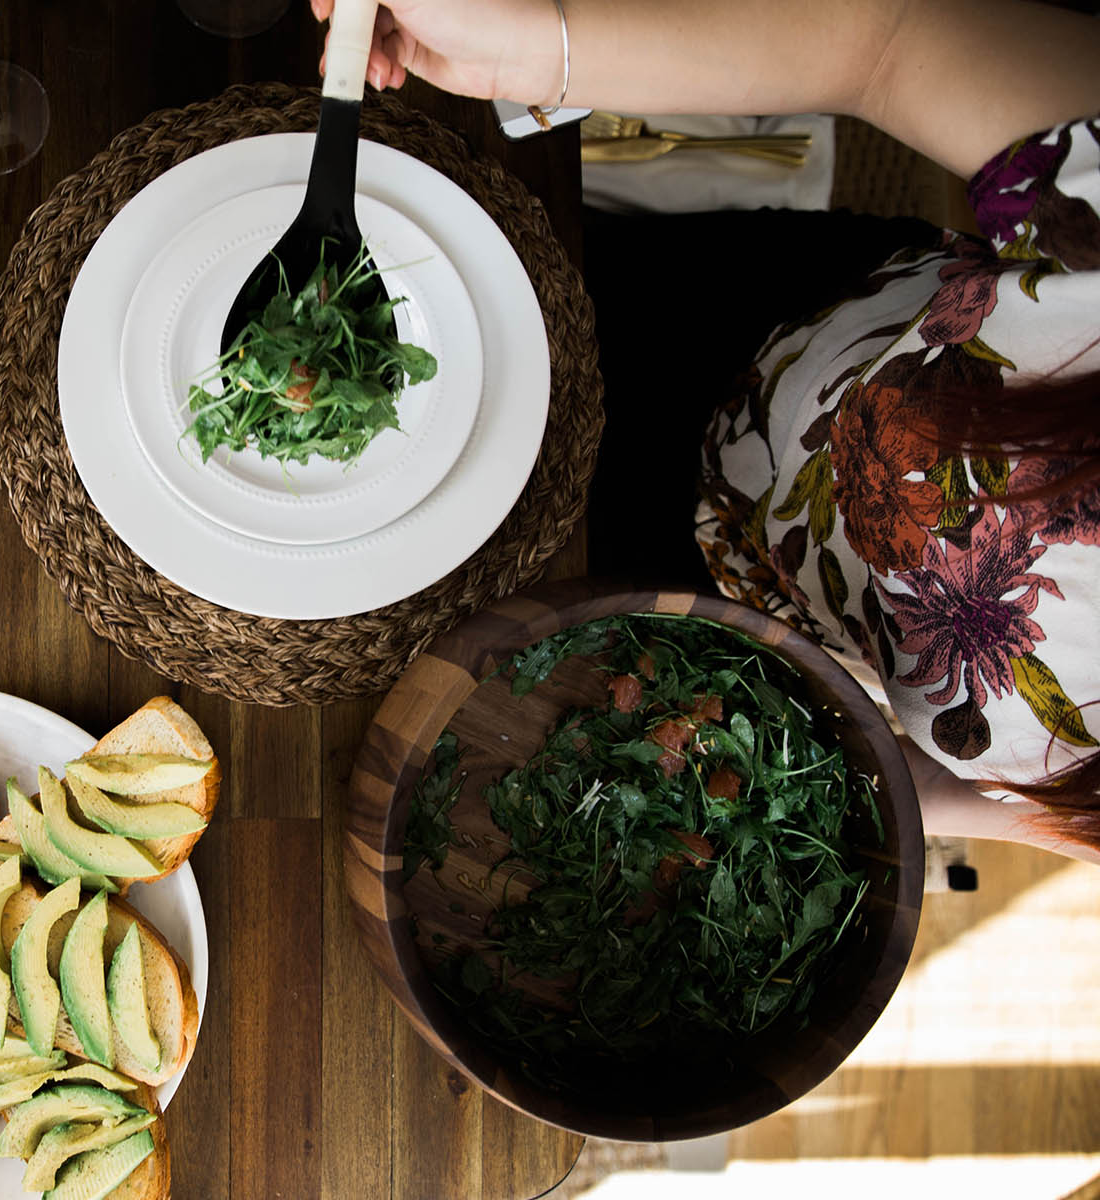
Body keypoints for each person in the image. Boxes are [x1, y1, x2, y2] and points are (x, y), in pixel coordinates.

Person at [310, 0, 1100, 862]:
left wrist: (835, 792)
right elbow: (889, 45)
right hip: (741, 332)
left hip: (738, 624)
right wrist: (536, 54)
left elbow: (1046, 813)